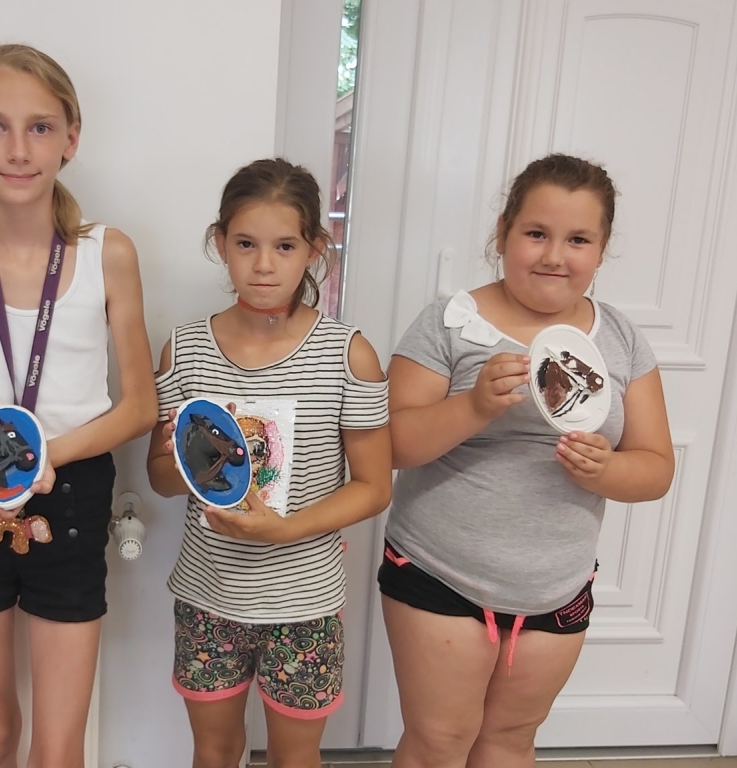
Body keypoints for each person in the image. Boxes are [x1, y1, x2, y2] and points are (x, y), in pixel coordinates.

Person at [0, 44, 157, 768]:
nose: (18, 150)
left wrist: (49, 457)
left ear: (71, 138)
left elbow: (139, 405)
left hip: (71, 486)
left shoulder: (109, 252)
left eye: (40, 127)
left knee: (58, 745)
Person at [379, 154, 674, 768]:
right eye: (536, 233)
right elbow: (391, 445)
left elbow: (655, 468)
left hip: (556, 587)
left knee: (510, 739)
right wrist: (473, 407)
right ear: (503, 232)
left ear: (602, 249)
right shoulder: (451, 323)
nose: (554, 256)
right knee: (439, 741)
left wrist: (608, 469)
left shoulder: (621, 339)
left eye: (578, 240)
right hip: (440, 572)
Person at [147, 158, 393, 768]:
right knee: (215, 750)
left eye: (284, 246)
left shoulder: (348, 354)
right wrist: (193, 461)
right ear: (220, 243)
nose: (263, 264)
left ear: (314, 250)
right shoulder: (185, 349)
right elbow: (159, 475)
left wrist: (284, 529)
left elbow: (373, 486)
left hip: (305, 601)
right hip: (208, 592)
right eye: (246, 244)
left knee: (294, 757)